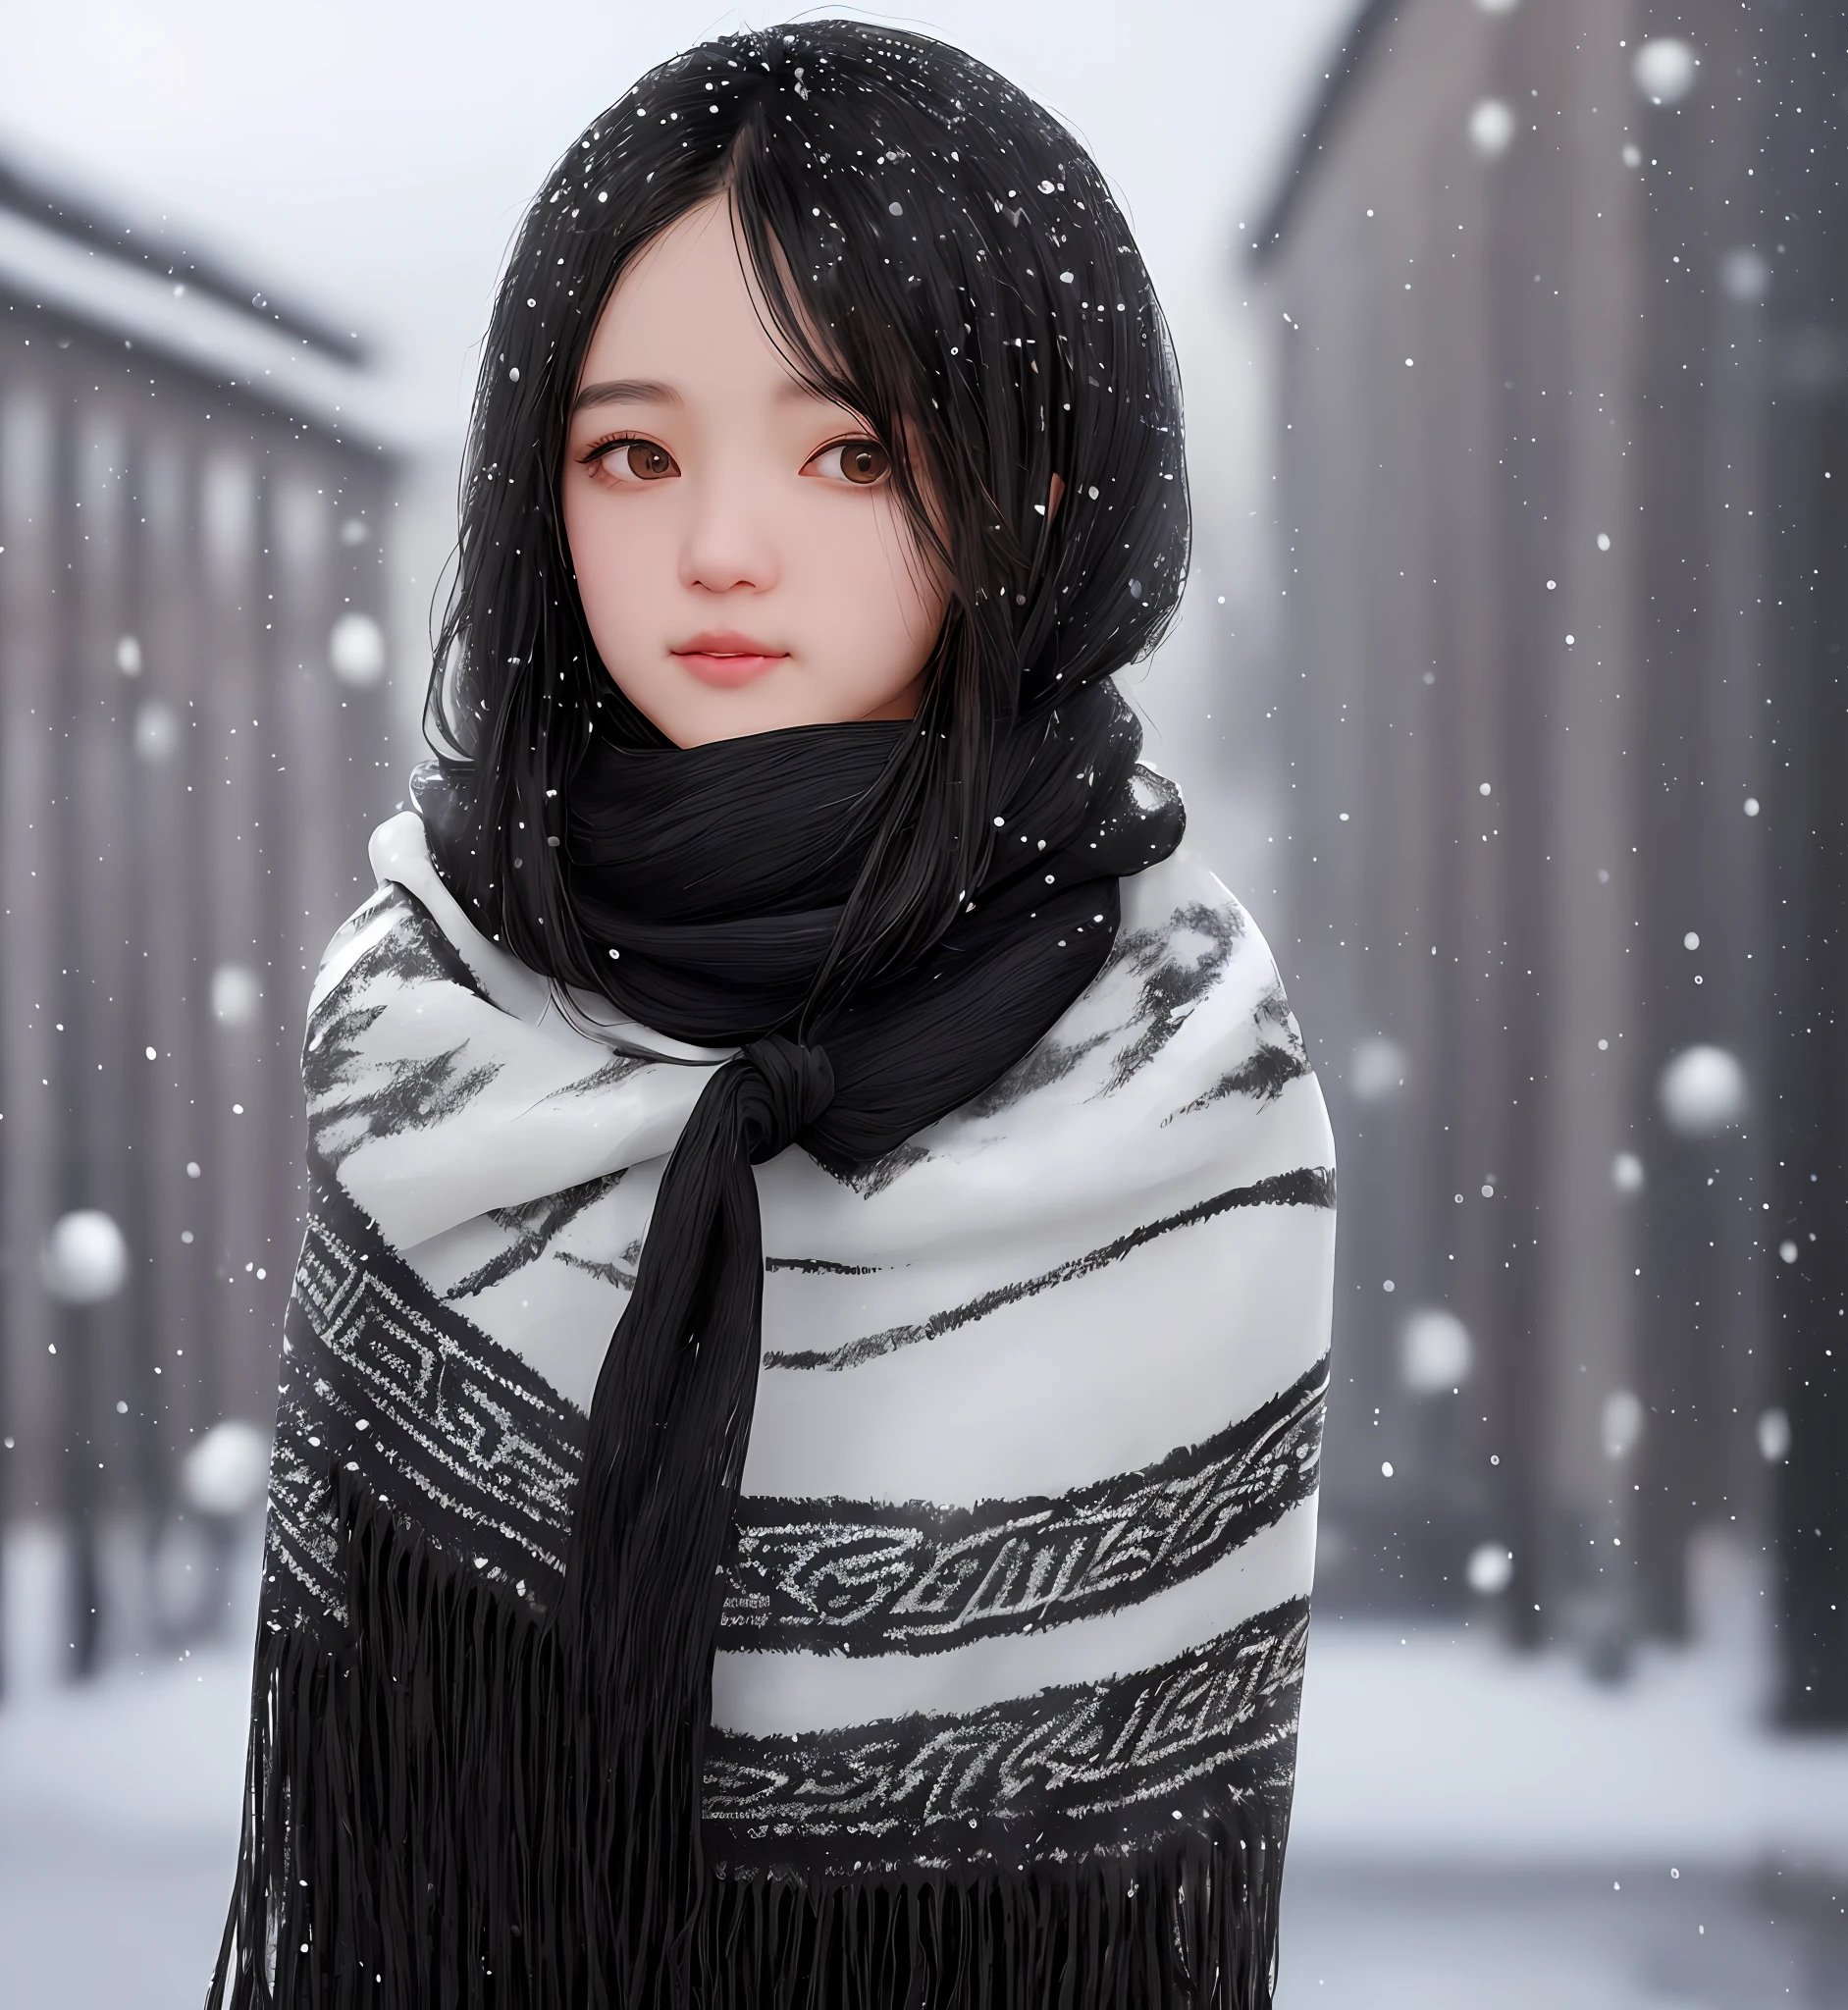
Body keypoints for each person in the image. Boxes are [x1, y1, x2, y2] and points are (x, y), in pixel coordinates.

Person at [210, 22, 1334, 2008]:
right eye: (629, 450)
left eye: (852, 451)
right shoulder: (424, 1043)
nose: (718, 546)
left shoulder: (1180, 1094)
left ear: (1039, 495)